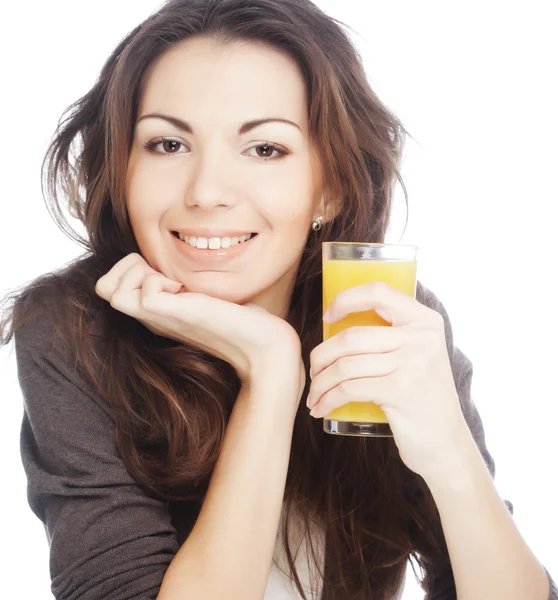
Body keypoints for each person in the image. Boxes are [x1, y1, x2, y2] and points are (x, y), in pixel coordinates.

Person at [1, 0, 556, 599]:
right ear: (122, 166)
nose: (207, 192)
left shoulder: (380, 319)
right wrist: (269, 370)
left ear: (332, 188)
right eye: (167, 144)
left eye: (264, 149)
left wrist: (449, 449)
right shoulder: (74, 330)